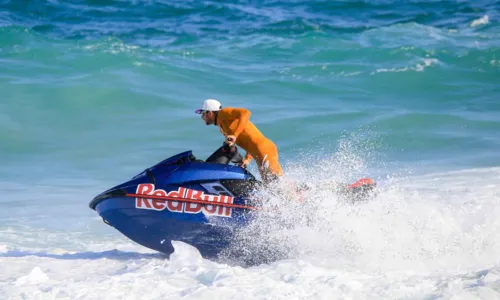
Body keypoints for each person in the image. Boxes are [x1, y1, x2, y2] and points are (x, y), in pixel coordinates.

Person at [195, 98, 284, 184]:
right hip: (259, 153)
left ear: (209, 113)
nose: (202, 117)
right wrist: (247, 159)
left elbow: (245, 113)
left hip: (264, 149)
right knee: (271, 185)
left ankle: (296, 195)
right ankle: (294, 195)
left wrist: (235, 135)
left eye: (202, 113)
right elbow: (249, 140)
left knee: (277, 182)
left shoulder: (223, 113)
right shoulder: (222, 125)